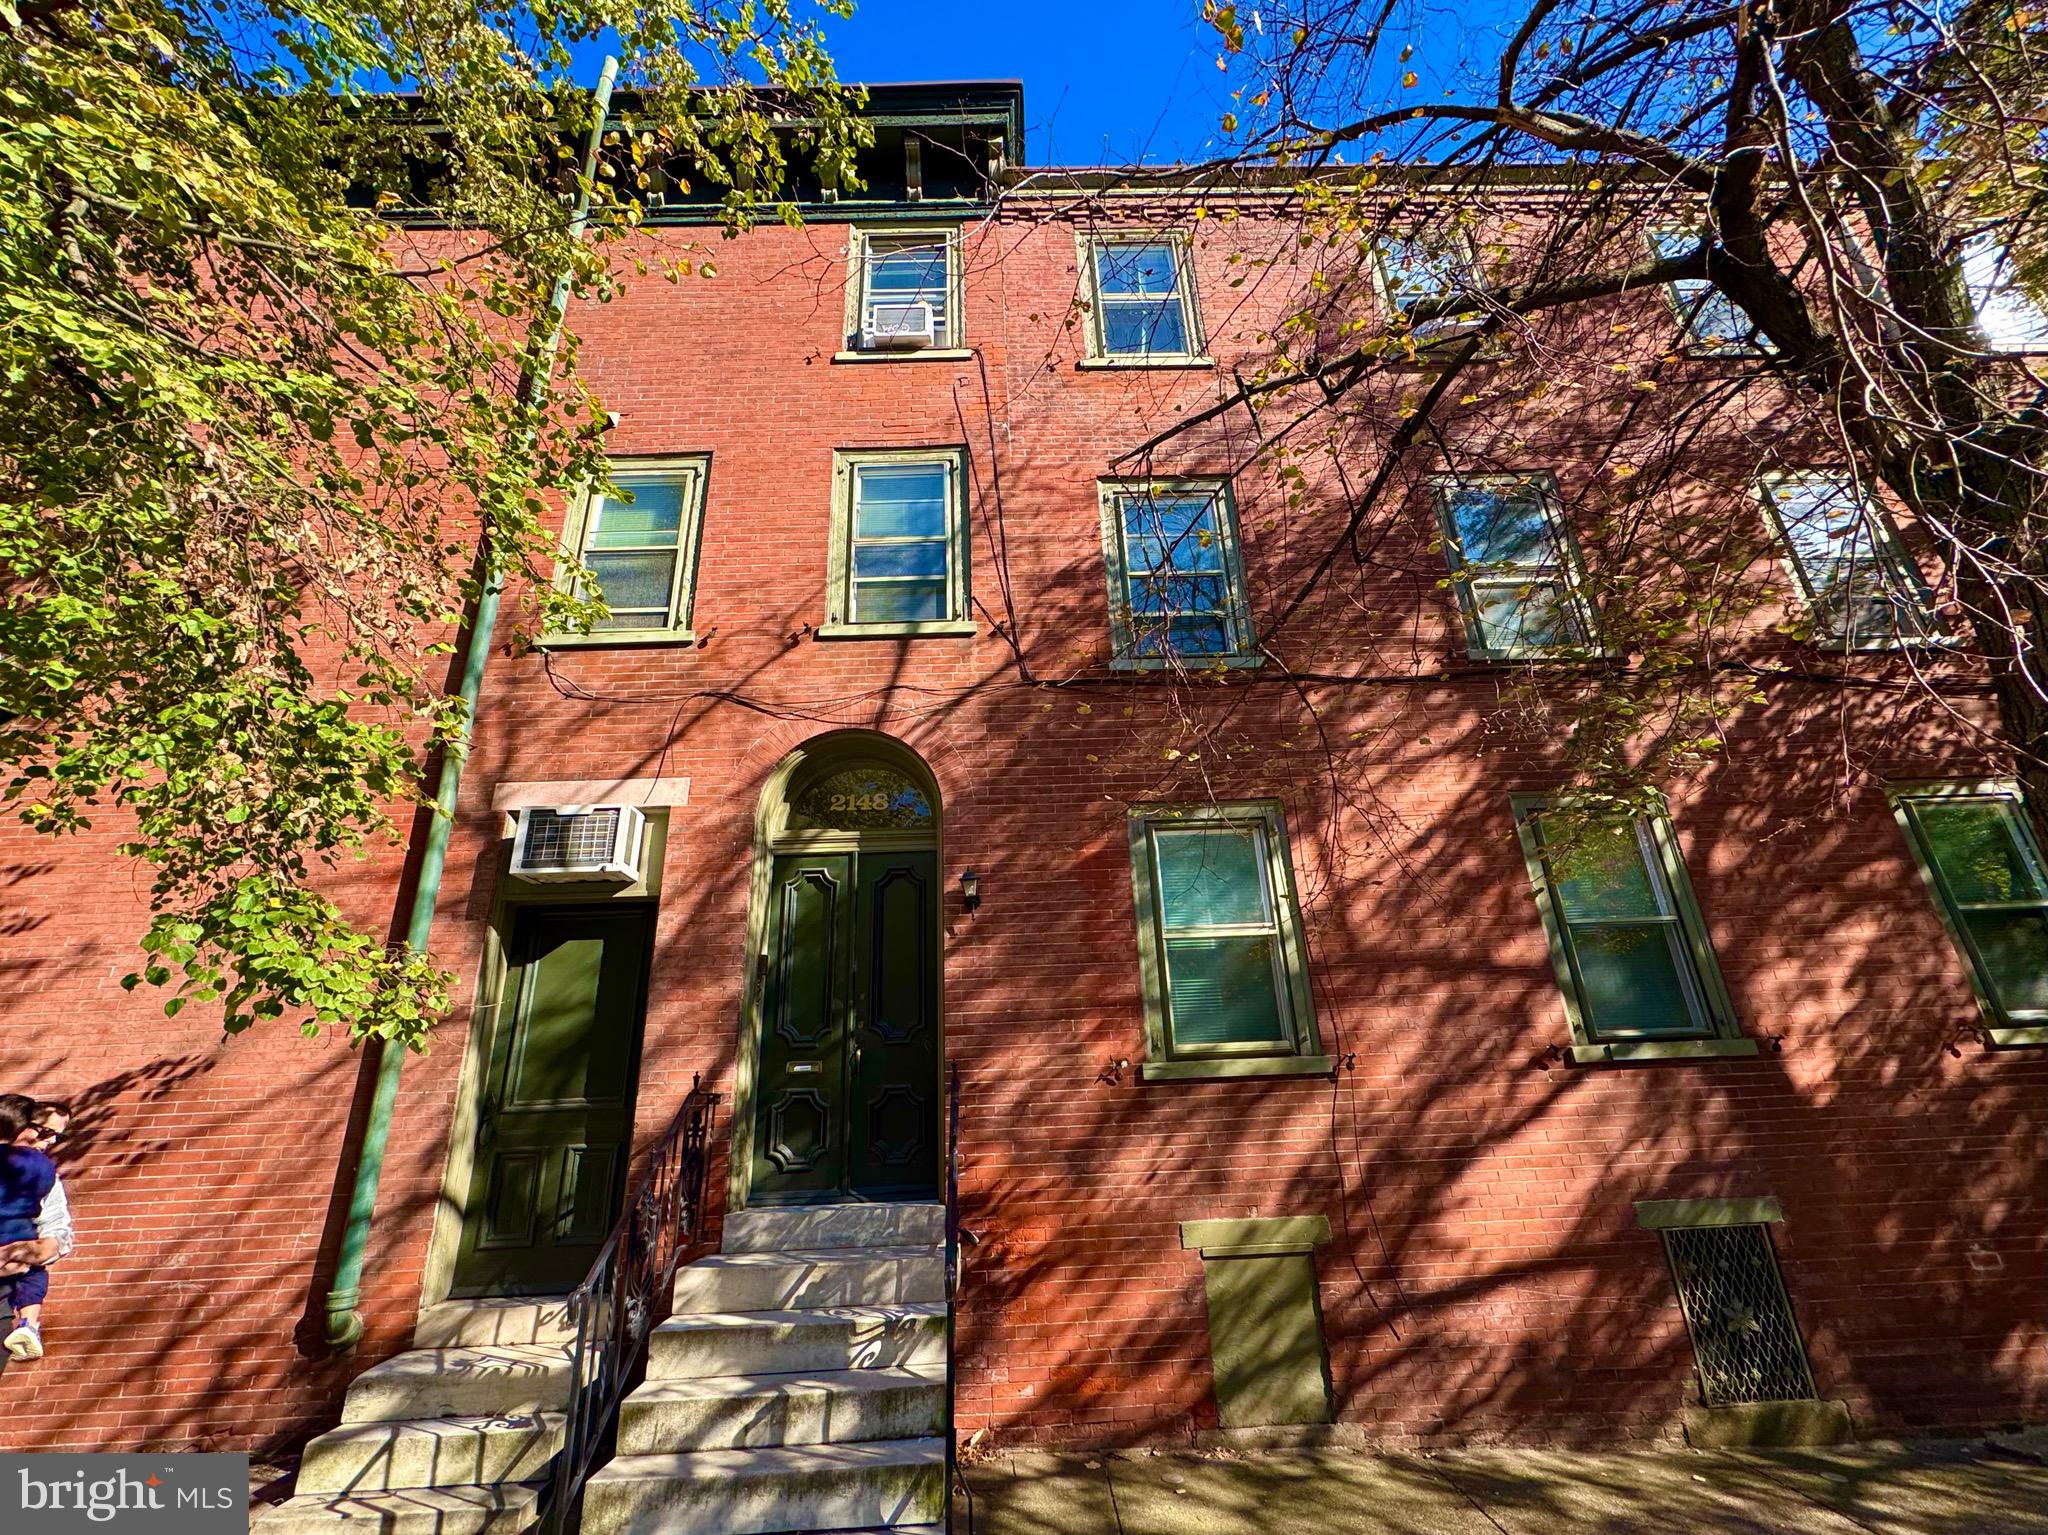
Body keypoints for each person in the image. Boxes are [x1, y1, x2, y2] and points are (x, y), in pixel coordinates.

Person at [3, 1103, 72, 1361]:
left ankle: (28, 1326)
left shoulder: (44, 1174)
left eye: (58, 1136)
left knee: (33, 1276)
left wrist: (36, 1251)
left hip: (7, 1289)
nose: (51, 1141)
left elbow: (57, 1229)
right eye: (44, 1132)